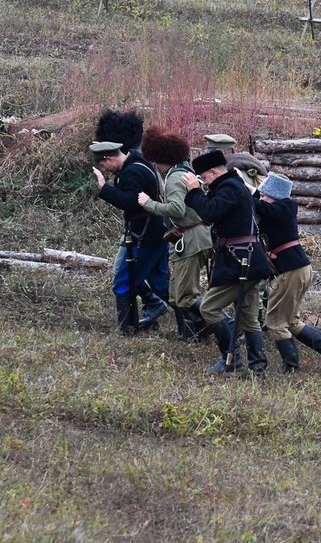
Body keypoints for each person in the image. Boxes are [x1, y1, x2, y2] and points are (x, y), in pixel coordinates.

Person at [183, 150, 274, 375]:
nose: (203, 182)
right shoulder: (234, 186)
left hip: (240, 261)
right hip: (248, 258)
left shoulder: (230, 188)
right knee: (248, 316)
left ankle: (230, 359)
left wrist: (194, 191)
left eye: (204, 177)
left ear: (213, 172)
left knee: (209, 308)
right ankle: (258, 368)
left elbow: (210, 211)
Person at [252, 172, 321, 371]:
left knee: (275, 322)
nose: (262, 198)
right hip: (299, 268)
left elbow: (256, 204)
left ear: (274, 195)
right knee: (291, 321)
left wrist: (243, 191)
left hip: (290, 271)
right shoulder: (280, 207)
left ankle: (290, 366)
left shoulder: (283, 207)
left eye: (265, 195)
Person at [136, 127, 213, 342]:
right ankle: (193, 331)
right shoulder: (183, 172)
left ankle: (218, 323)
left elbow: (177, 209)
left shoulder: (174, 178)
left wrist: (149, 204)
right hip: (192, 238)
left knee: (186, 296)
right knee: (175, 294)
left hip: (192, 240)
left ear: (161, 157)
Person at [91, 141, 170, 335]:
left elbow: (131, 203)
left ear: (109, 158)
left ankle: (127, 329)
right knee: (161, 285)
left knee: (123, 280)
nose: (105, 170)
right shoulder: (137, 162)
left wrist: (104, 188)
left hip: (145, 235)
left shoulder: (132, 172)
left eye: (103, 165)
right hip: (156, 232)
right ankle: (194, 323)